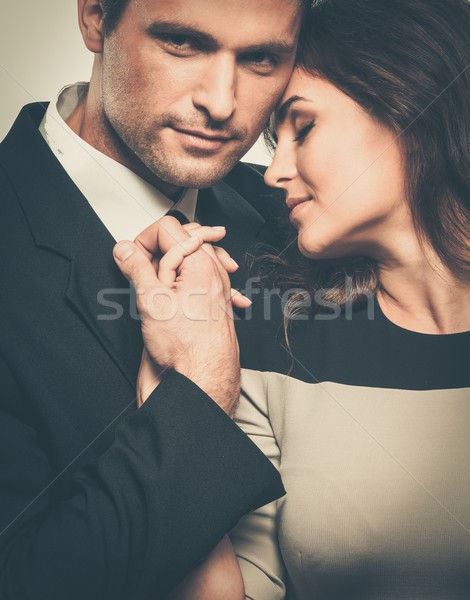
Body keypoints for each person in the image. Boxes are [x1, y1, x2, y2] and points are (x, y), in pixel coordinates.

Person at [158, 0, 470, 597]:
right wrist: (182, 384)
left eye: (302, 128)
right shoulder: (277, 344)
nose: (275, 172)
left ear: (408, 101)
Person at [0, 0, 307, 598]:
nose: (221, 102)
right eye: (182, 43)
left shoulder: (302, 219)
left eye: (262, 58)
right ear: (95, 18)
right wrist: (198, 390)